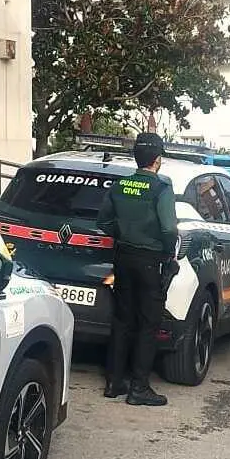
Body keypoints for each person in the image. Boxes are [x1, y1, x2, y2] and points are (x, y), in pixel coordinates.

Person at [97, 133, 179, 406]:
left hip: (123, 256)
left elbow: (103, 222)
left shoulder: (119, 185)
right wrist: (168, 251)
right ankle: (139, 388)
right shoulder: (161, 188)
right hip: (150, 260)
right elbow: (169, 229)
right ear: (158, 159)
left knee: (122, 319)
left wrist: (123, 234)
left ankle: (113, 383)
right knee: (148, 323)